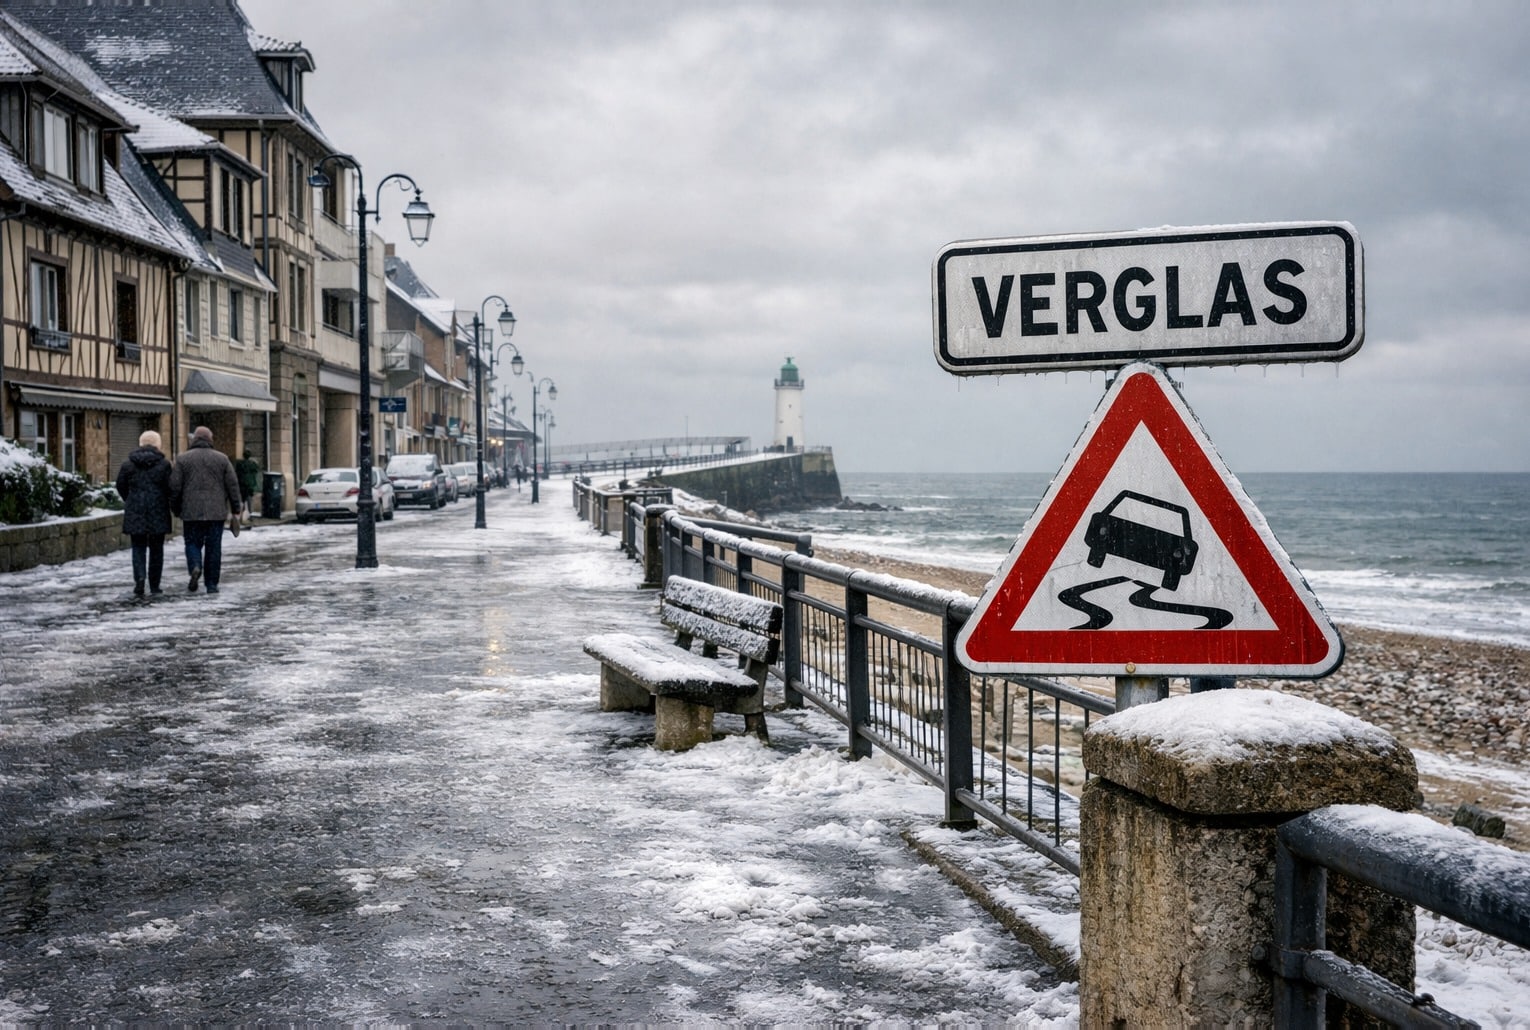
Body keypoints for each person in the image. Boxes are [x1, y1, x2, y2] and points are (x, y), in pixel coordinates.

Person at [169, 426, 242, 595]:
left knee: (192, 543)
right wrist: (236, 509)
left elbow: (174, 487)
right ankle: (212, 584)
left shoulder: (183, 460)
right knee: (213, 548)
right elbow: (232, 485)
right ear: (211, 439)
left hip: (191, 511)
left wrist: (176, 508)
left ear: (194, 439)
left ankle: (195, 565)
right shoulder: (222, 459)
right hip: (216, 513)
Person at [114, 429, 173, 597]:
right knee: (157, 549)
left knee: (138, 547)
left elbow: (120, 485)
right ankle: (155, 584)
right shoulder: (164, 465)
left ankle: (139, 577)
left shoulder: (128, 464)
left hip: (135, 510)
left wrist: (131, 499)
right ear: (158, 445)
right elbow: (171, 488)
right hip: (158, 510)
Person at [234, 449, 261, 521]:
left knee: (241, 499)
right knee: (249, 499)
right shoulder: (252, 464)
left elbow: (236, 472)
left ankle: (241, 513)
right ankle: (250, 514)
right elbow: (256, 469)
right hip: (250, 485)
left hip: (242, 484)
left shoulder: (240, 464)